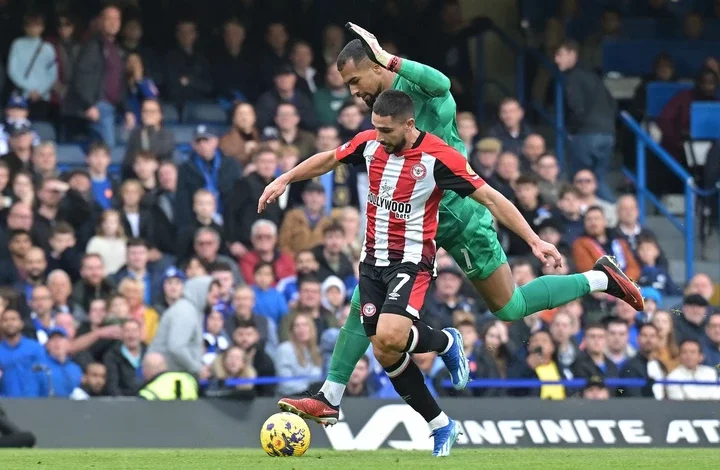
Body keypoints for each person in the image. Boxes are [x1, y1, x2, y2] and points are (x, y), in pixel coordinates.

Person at [270, 27, 645, 431]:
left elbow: (442, 84)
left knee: (509, 307)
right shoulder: (385, 117)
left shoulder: (431, 98)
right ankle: (330, 395)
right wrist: (285, 178)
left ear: (378, 66)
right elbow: (334, 155)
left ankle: (598, 278)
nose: (352, 92)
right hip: (412, 225)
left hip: (460, 217)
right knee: (367, 301)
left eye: (355, 81)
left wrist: (534, 241)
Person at [148, 276, 221, 379]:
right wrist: (197, 368)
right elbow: (176, 347)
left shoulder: (192, 310)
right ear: (201, 292)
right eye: (214, 297)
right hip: (167, 377)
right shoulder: (185, 312)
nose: (215, 302)